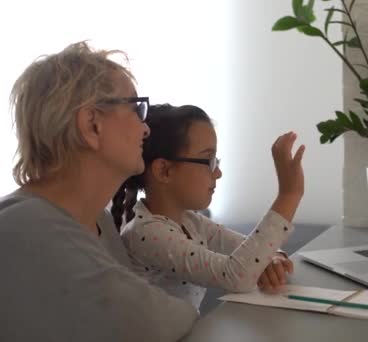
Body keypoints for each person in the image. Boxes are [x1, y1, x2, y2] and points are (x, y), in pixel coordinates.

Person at [0, 42, 199, 341]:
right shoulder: (25, 225)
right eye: (135, 109)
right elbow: (156, 323)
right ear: (92, 125)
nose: (146, 129)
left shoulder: (99, 222)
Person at [111, 103, 305, 309]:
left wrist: (274, 258)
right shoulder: (146, 233)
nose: (218, 173)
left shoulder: (190, 220)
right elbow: (235, 276)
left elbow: (249, 249)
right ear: (164, 171)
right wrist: (289, 195)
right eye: (208, 161)